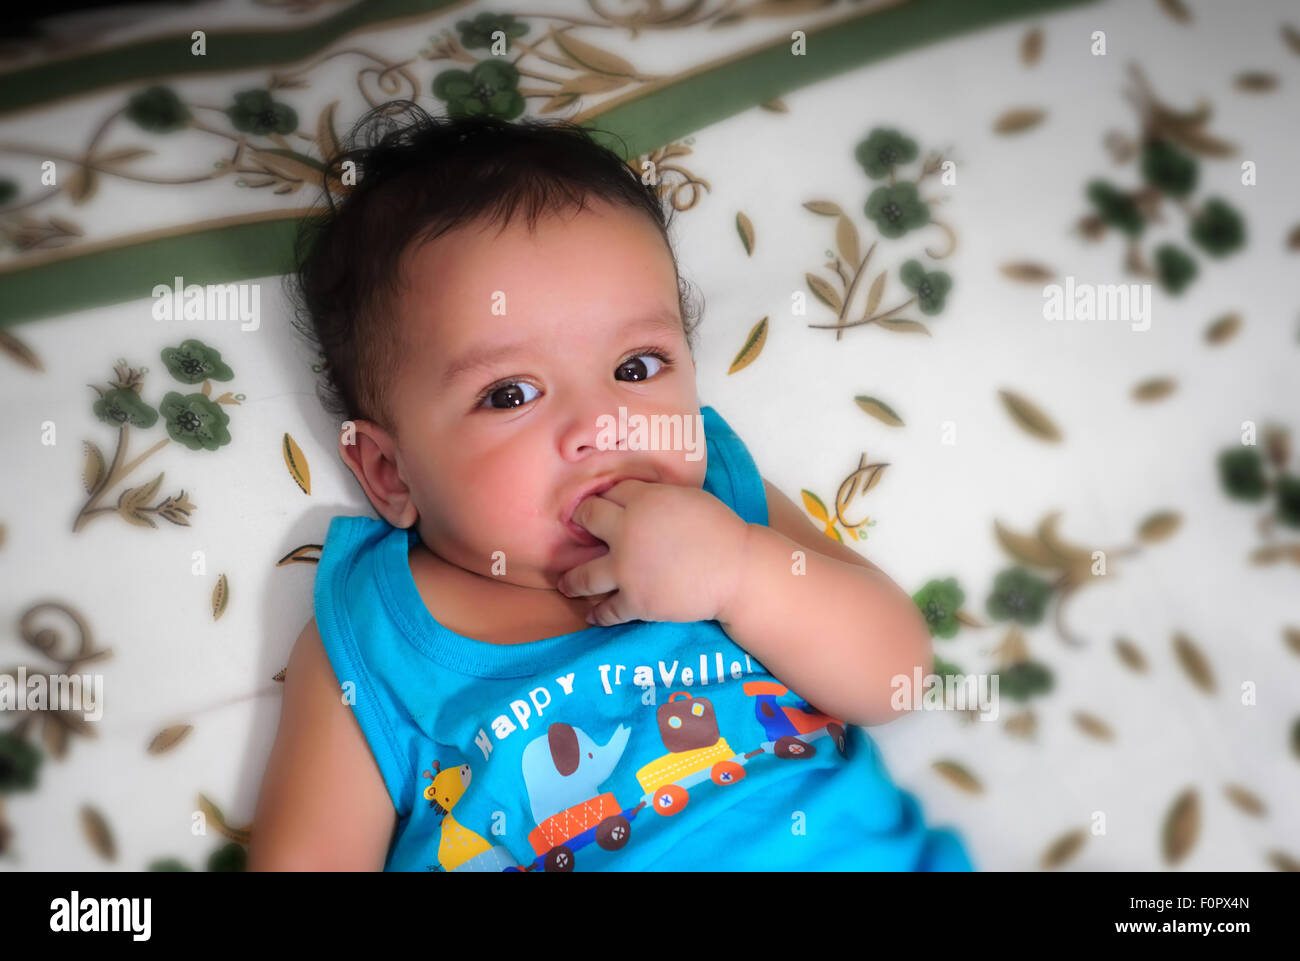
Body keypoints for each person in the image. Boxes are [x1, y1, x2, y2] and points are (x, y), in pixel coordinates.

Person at [248, 101, 974, 872]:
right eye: (510, 394)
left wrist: (741, 573)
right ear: (391, 473)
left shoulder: (721, 505)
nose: (604, 423)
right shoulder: (375, 635)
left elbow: (895, 675)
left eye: (636, 368)